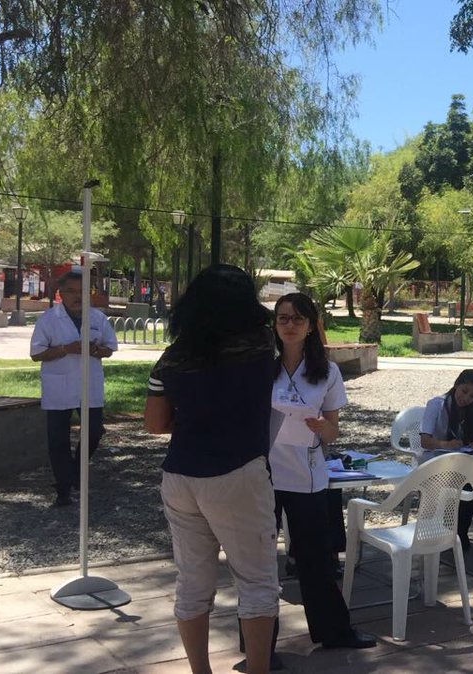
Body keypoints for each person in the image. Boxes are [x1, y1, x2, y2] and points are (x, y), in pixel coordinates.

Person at [144, 264, 280, 674]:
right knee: (256, 582)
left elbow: (154, 424)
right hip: (239, 471)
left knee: (192, 584)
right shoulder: (261, 345)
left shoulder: (174, 357)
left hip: (181, 474)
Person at [268, 293, 376, 650]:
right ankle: (259, 646)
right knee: (258, 562)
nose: (290, 325)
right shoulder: (260, 365)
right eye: (283, 318)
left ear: (312, 325)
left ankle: (334, 632)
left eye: (298, 319)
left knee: (316, 561)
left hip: (306, 476)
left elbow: (333, 431)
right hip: (261, 475)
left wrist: (318, 427)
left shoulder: (325, 371)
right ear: (274, 323)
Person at [30, 269, 117, 508]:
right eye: (71, 291)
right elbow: (36, 354)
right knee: (58, 439)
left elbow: (109, 348)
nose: (77, 297)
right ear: (61, 293)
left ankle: (76, 472)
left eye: (82, 292)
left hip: (90, 384)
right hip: (59, 385)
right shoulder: (48, 319)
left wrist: (97, 351)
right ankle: (63, 488)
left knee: (94, 431)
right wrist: (65, 349)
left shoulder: (97, 318)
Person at [418, 369, 473, 551]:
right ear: (456, 385)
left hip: (464, 462)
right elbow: (425, 441)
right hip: (437, 461)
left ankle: (455, 524)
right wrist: (446, 444)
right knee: (465, 487)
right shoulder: (437, 404)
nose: (466, 399)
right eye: (464, 391)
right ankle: (457, 529)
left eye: (472, 396)